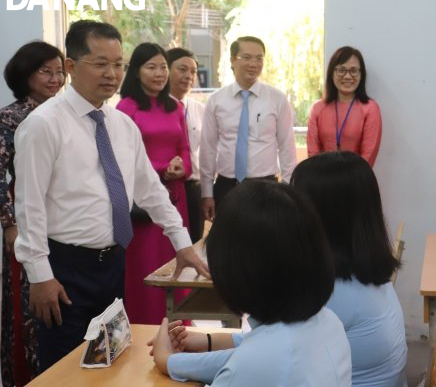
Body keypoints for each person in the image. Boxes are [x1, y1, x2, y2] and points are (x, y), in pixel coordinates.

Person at [12, 20, 209, 372]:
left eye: (118, 64)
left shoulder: (120, 125)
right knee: (64, 368)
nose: (112, 73)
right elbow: (29, 207)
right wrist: (40, 275)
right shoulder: (43, 125)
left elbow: (151, 190)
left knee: (108, 359)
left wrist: (182, 243)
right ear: (71, 67)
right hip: (63, 270)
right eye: (100, 64)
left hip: (114, 264)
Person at [149, 180, 352, 386]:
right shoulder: (329, 322)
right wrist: (173, 360)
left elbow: (249, 362)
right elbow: (251, 354)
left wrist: (168, 359)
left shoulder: (255, 363)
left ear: (237, 271)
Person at [291, 151, 407, 386]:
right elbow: (271, 345)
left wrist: (197, 358)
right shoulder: (366, 278)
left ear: (324, 216)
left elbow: (267, 358)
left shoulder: (334, 292)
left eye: (297, 203)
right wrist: (210, 342)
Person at [0, 41, 64, 386]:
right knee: (27, 305)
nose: (55, 79)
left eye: (59, 71)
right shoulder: (9, 117)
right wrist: (10, 226)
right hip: (24, 221)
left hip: (61, 221)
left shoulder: (67, 112)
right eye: (45, 71)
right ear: (26, 75)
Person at [116, 43, 192, 324]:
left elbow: (185, 149)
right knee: (146, 266)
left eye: (163, 67)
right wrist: (162, 169)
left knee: (177, 260)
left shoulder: (175, 107)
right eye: (151, 67)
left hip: (175, 196)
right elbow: (123, 159)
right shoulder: (126, 108)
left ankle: (178, 325)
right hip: (142, 204)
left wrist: (181, 166)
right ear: (136, 72)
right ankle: (145, 323)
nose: (159, 73)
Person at [199, 36, 296, 220]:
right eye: (247, 57)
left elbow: (287, 147)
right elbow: (208, 149)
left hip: (265, 186)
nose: (254, 63)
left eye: (259, 58)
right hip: (226, 185)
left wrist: (288, 188)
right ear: (233, 60)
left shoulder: (277, 99)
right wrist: (207, 192)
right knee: (228, 242)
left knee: (265, 241)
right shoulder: (217, 100)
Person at [306, 46, 382, 167]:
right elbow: (313, 154)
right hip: (321, 180)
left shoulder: (370, 108)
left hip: (357, 181)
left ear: (361, 75)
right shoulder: (318, 108)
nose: (347, 76)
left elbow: (368, 156)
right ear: (332, 73)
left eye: (353, 70)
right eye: (341, 70)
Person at [166, 48, 206, 243]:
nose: (189, 76)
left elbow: (207, 152)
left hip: (193, 188)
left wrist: (207, 192)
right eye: (182, 69)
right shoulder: (153, 108)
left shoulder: (200, 109)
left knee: (194, 241)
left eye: (193, 71)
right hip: (166, 186)